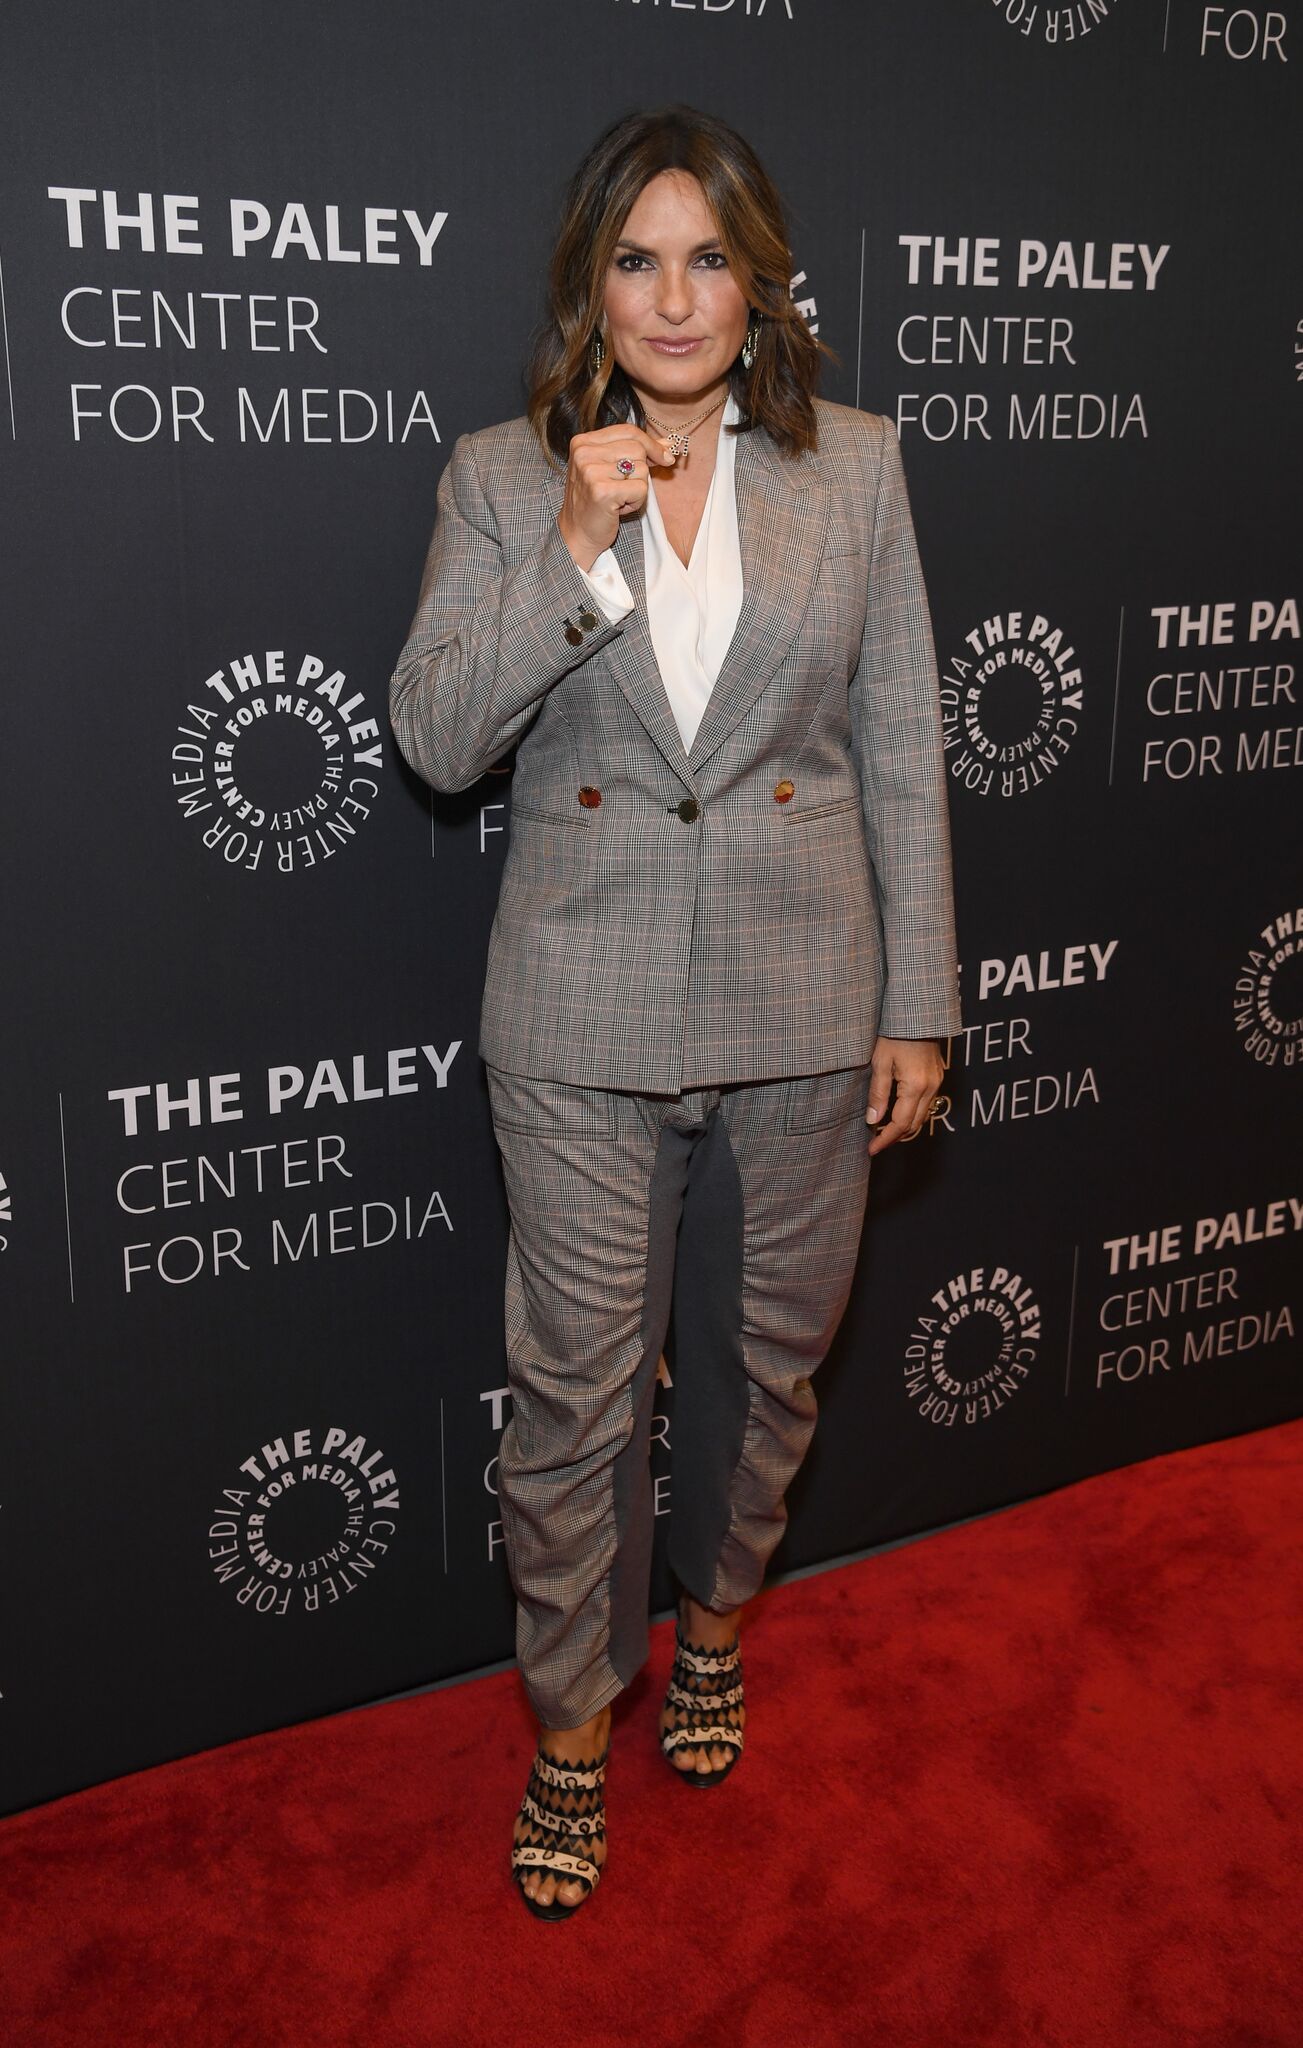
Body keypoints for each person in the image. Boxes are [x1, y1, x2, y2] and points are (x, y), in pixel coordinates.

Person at [388, 103, 962, 1922]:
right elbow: (430, 735)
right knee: (570, 1402)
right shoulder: (502, 476)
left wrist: (922, 1001)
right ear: (592, 284)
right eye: (636, 259)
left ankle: (714, 1630)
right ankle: (572, 1733)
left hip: (809, 992)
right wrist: (571, 544)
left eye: (708, 254)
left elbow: (901, 749)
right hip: (579, 1007)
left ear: (759, 276)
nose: (674, 294)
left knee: (764, 1370)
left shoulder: (855, 467)